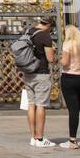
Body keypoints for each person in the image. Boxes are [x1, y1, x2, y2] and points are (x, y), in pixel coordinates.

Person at [19, 14, 58, 148]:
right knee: (41, 105)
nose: (50, 31)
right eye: (51, 29)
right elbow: (50, 59)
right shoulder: (44, 35)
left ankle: (33, 137)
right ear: (49, 25)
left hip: (28, 72)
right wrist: (53, 50)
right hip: (41, 72)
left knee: (31, 104)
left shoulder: (29, 32)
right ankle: (40, 138)